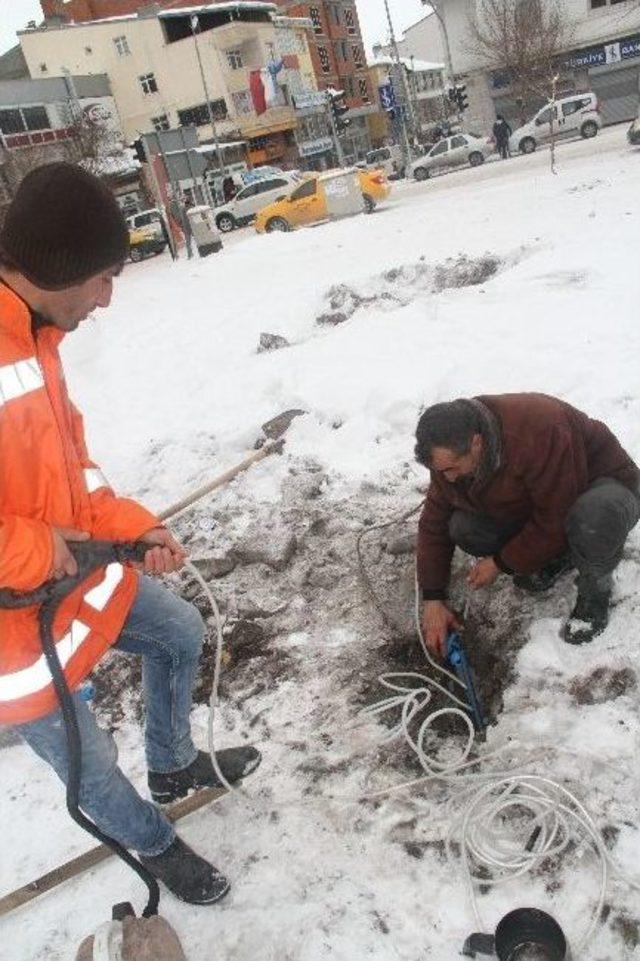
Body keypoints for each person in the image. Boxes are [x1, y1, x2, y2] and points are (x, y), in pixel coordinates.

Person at [0, 163, 260, 905]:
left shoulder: (37, 343)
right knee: (91, 765)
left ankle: (174, 762)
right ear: (63, 269)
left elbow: (76, 478)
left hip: (69, 582)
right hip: (13, 643)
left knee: (178, 628)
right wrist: (37, 547)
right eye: (106, 277)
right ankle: (154, 842)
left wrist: (135, 525)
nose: (109, 297)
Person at [414, 394, 640, 653]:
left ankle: (594, 592)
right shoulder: (449, 453)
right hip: (544, 500)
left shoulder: (539, 430)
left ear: (476, 443)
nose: (449, 478)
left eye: (452, 468)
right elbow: (434, 524)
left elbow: (556, 515)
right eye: (441, 471)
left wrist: (501, 562)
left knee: (591, 517)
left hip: (604, 490)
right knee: (465, 528)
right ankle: (560, 555)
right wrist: (433, 597)